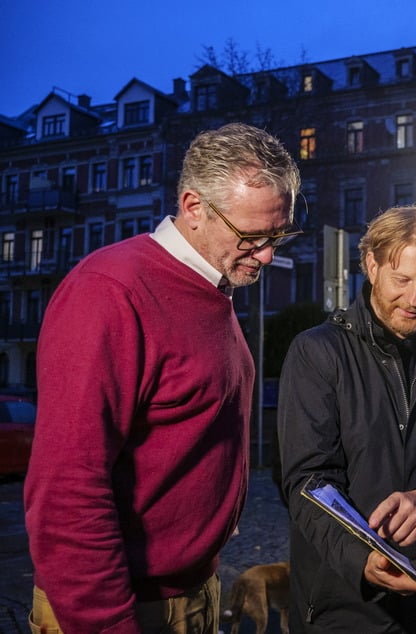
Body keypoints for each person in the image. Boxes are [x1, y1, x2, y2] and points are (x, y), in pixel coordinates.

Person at [24, 122, 302, 634]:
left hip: (190, 592)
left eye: (277, 235)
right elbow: (67, 490)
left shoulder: (211, 285)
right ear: (193, 206)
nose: (267, 254)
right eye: (252, 237)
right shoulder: (109, 291)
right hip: (126, 604)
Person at [277, 204, 416, 633]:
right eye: (403, 280)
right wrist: (361, 558)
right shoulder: (318, 352)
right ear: (371, 265)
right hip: (344, 603)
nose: (415, 300)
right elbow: (306, 480)